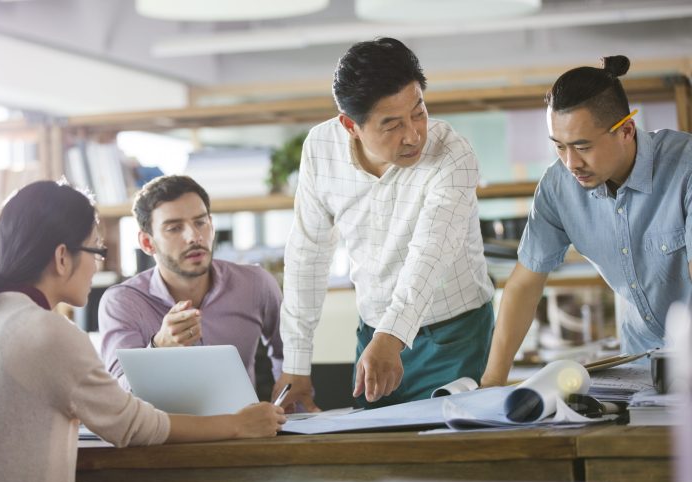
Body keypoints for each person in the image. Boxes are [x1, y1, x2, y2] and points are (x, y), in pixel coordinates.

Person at [0, 180, 284, 482]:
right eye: (97, 250)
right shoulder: (45, 331)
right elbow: (133, 426)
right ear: (63, 257)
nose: (98, 263)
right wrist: (238, 424)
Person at [277, 37, 496, 410]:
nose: (413, 135)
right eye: (391, 124)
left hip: (454, 336)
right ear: (351, 125)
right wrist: (296, 364)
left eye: (419, 112)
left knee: (454, 455)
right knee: (374, 458)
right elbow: (308, 254)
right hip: (374, 335)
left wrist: (392, 336)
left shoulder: (453, 156)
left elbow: (431, 251)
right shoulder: (320, 148)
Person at [482, 55, 692, 387]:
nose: (571, 163)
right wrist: (492, 382)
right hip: (641, 368)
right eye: (559, 147)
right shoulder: (557, 187)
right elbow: (524, 285)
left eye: (582, 147)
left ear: (626, 130)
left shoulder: (685, 167)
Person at [98, 175, 284, 392]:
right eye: (174, 228)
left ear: (212, 226)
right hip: (166, 426)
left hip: (241, 424)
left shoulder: (255, 284)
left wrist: (292, 409)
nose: (194, 236)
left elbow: (290, 355)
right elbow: (118, 398)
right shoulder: (123, 302)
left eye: (200, 222)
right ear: (147, 243)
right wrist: (159, 348)